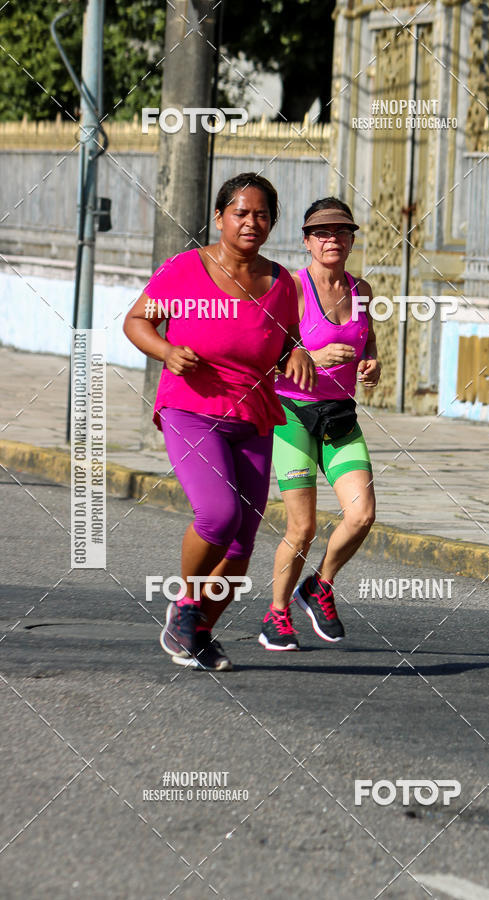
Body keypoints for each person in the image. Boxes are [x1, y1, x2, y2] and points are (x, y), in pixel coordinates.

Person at [124, 173, 314, 671]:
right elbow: (137, 321)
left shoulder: (282, 284)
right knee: (219, 513)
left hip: (253, 415)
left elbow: (287, 341)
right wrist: (165, 350)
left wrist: (297, 356)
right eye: (241, 212)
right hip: (192, 408)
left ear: (273, 222)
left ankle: (199, 631)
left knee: (243, 541)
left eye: (262, 215)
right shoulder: (185, 269)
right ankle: (185, 604)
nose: (252, 222)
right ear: (220, 217)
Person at [259, 198, 380, 651]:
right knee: (302, 529)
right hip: (293, 416)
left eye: (342, 232)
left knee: (363, 514)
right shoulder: (290, 288)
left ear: (351, 240)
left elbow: (368, 343)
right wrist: (308, 358)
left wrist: (371, 364)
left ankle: (320, 585)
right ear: (306, 241)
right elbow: (262, 361)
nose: (333, 240)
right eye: (323, 233)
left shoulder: (362, 289)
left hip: (340, 416)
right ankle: (276, 613)